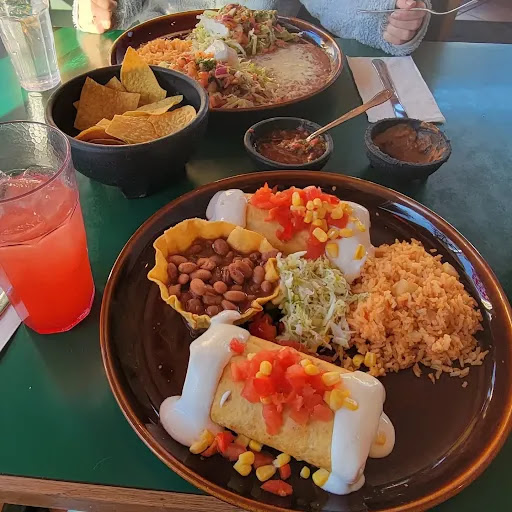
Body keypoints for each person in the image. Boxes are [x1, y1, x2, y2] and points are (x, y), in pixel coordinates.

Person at [74, 0, 430, 56]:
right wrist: (96, 8)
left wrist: (388, 19)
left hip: (269, 111)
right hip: (165, 87)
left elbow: (341, 7)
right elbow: (109, 11)